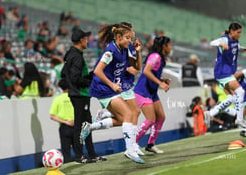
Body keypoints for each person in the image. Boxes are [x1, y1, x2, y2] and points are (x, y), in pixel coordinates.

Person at [82, 24, 144, 163]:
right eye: (127, 37)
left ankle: (96, 123)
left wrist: (138, 51)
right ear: (118, 37)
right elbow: (98, 70)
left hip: (112, 88)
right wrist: (112, 85)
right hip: (103, 89)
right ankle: (130, 150)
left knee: (124, 119)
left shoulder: (124, 49)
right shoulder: (110, 51)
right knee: (129, 114)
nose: (130, 40)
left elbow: (138, 67)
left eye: (130, 37)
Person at [61, 28, 105, 163]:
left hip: (78, 94)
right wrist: (89, 81)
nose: (87, 41)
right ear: (81, 40)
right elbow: (75, 78)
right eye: (86, 39)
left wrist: (89, 76)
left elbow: (64, 73)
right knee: (81, 125)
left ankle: (90, 154)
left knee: (86, 124)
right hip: (80, 95)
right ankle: (80, 155)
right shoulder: (77, 56)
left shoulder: (71, 55)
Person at [204, 21, 246, 126]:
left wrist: (244, 49)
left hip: (226, 72)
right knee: (240, 92)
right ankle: (239, 120)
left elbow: (236, 47)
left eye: (240, 32)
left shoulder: (234, 40)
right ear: (232, 31)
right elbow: (212, 42)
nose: (240, 34)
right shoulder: (225, 39)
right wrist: (221, 44)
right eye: (238, 32)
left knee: (232, 98)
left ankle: (210, 113)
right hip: (223, 72)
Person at [134, 36, 171, 154]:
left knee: (160, 117)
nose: (171, 47)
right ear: (164, 46)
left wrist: (161, 79)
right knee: (150, 120)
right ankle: (132, 144)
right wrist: (160, 83)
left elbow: (151, 73)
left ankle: (150, 144)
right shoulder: (155, 56)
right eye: (170, 45)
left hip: (152, 92)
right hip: (143, 91)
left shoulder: (160, 57)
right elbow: (146, 71)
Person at [49, 79, 75, 163]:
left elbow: (52, 116)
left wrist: (66, 122)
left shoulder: (58, 99)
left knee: (66, 152)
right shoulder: (75, 97)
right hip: (76, 125)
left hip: (64, 127)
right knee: (79, 151)